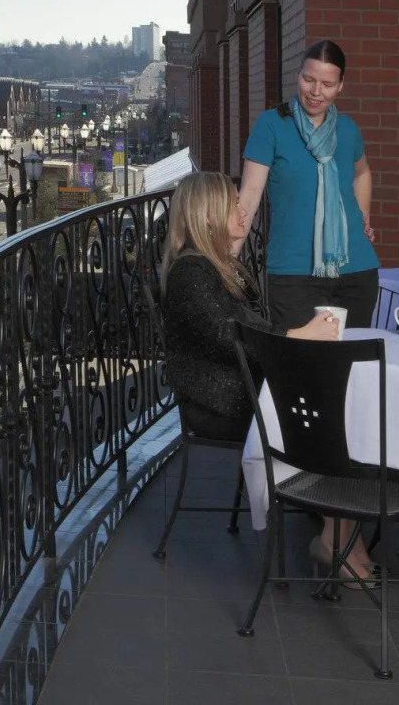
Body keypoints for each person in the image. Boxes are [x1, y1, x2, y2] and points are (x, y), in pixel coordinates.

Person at [160, 172, 370, 582]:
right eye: (233, 205)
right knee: (329, 418)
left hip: (245, 387)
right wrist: (299, 335)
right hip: (219, 400)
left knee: (338, 408)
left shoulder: (222, 266)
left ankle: (339, 533)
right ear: (207, 218)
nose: (244, 212)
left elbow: (246, 326)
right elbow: (231, 334)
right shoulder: (191, 272)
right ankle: (336, 537)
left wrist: (298, 335)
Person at [237, 39, 380, 331]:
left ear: (341, 86)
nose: (316, 92)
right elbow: (248, 199)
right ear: (298, 75)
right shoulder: (272, 126)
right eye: (309, 79)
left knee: (351, 367)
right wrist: (224, 261)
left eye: (327, 84)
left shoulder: (348, 129)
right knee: (302, 366)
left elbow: (363, 173)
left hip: (356, 270)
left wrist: (363, 216)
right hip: (294, 274)